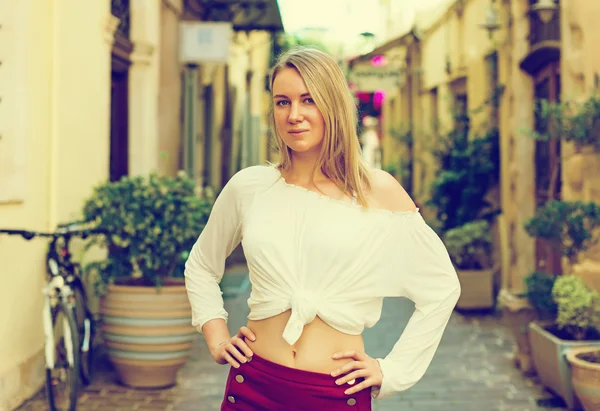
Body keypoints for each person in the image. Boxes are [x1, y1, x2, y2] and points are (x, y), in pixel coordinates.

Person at [184, 46, 461, 411]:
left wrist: (392, 371)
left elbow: (441, 288)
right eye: (282, 102)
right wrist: (217, 336)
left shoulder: (376, 191)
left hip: (334, 394)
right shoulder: (249, 187)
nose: (294, 115)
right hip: (252, 385)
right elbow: (202, 266)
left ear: (333, 105)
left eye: (308, 100)